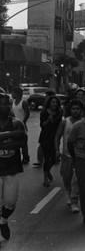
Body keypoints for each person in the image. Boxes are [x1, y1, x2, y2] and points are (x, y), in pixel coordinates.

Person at [0, 93, 28, 241]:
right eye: (4, 104)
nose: (7, 106)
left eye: (8, 104)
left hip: (11, 169)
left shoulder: (17, 123)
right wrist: (11, 136)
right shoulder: (15, 128)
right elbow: (17, 139)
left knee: (10, 203)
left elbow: (22, 142)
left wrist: (2, 138)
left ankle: (3, 221)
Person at [54, 99, 83, 214]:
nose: (75, 111)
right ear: (70, 110)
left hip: (80, 156)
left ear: (81, 110)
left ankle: (74, 200)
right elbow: (57, 136)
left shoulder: (84, 122)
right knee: (66, 177)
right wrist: (57, 150)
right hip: (66, 155)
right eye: (73, 109)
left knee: (76, 180)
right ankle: (70, 193)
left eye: (78, 109)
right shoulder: (65, 122)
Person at [38, 95, 63, 187]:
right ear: (49, 103)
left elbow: (60, 124)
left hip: (55, 137)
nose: (55, 104)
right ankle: (45, 178)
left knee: (55, 158)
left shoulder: (59, 112)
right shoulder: (44, 112)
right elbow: (43, 125)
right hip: (46, 137)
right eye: (53, 102)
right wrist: (49, 119)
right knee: (47, 157)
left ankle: (48, 169)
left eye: (56, 102)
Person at [11, 86, 30, 164]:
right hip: (14, 125)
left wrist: (23, 122)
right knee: (15, 142)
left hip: (21, 125)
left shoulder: (23, 102)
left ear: (17, 94)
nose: (11, 94)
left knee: (23, 142)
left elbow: (27, 113)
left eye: (13, 93)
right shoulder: (13, 102)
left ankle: (26, 157)